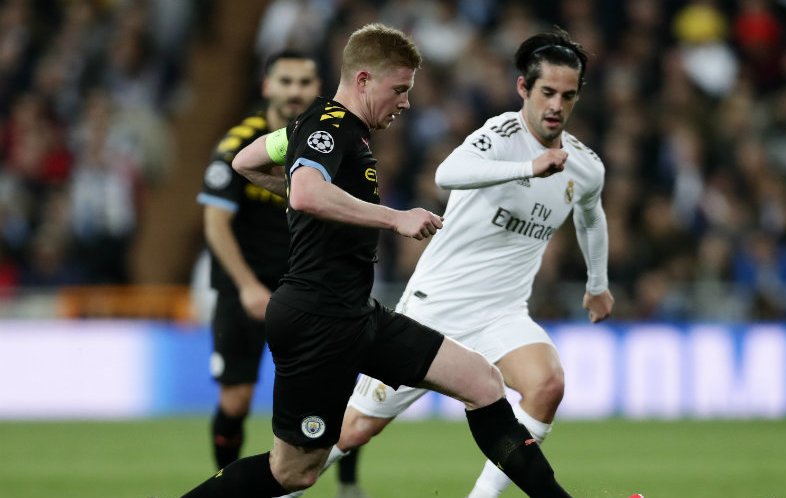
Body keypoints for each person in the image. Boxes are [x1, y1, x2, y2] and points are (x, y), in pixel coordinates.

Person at [181, 23, 576, 498]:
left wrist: (307, 193)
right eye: (400, 89)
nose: (405, 102)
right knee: (293, 472)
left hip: (356, 313)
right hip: (317, 318)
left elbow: (246, 161)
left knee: (483, 381)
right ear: (364, 80)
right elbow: (305, 193)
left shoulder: (319, 127)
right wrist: (394, 219)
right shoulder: (330, 127)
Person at [291, 27, 614, 498]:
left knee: (547, 384)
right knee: (353, 430)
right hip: (436, 307)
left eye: (568, 95)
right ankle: (275, 488)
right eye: (547, 92)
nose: (556, 105)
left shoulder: (585, 166)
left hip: (501, 314)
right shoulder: (500, 136)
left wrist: (597, 284)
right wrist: (528, 167)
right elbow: (448, 173)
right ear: (524, 88)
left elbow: (591, 217)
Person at [195, 50, 320, 470]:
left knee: (324, 389)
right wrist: (247, 286)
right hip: (243, 286)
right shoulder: (238, 144)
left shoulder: (327, 141)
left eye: (304, 82)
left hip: (302, 285)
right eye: (285, 81)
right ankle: (225, 483)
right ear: (267, 86)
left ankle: (342, 484)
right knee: (236, 400)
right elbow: (215, 222)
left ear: (318, 87)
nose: (295, 91)